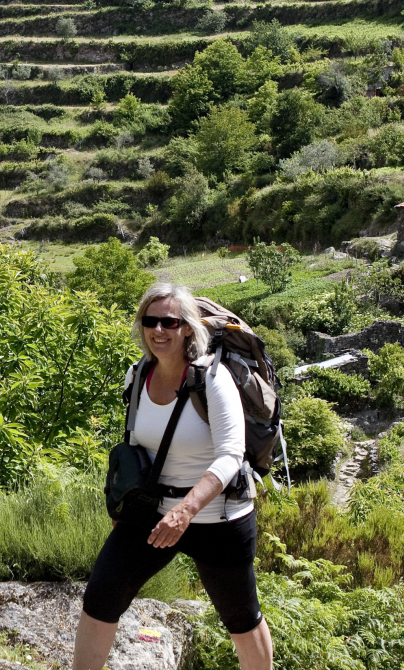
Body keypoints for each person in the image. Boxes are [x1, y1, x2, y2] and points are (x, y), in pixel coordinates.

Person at [74, 283, 274, 670]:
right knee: (101, 595)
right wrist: (121, 500)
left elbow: (232, 455)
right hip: (151, 515)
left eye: (170, 321)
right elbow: (133, 447)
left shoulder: (212, 381)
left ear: (187, 327)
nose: (159, 330)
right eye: (151, 320)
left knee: (241, 618)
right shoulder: (137, 377)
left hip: (217, 518)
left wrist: (185, 511)